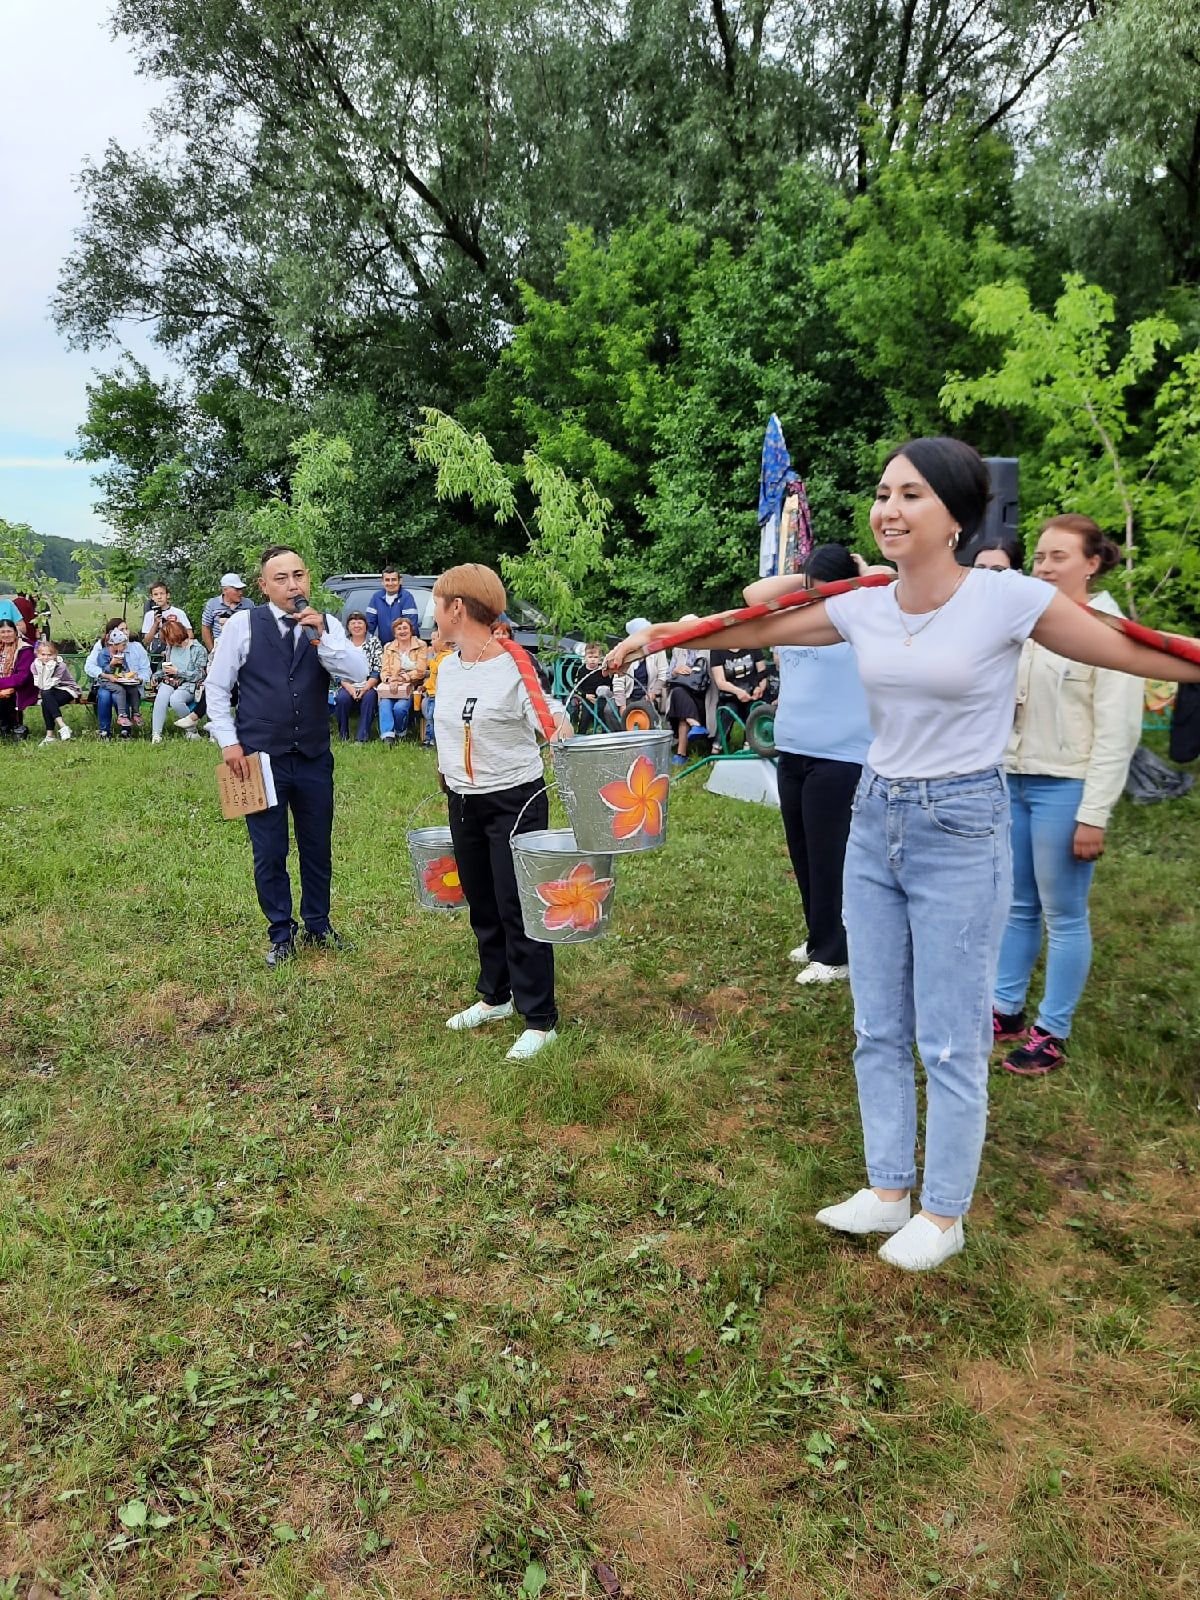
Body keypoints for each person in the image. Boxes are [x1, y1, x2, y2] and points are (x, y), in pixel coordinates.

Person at [609, 437, 1200, 1272]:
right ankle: (888, 1189)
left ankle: (945, 1211)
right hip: (875, 815)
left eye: (911, 495)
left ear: (956, 515)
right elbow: (763, 621)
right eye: (884, 493)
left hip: (961, 823)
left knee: (952, 1035)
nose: (888, 508)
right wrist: (678, 633)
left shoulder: (1007, 601)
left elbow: (1132, 647)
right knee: (877, 1022)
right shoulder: (867, 604)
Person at [994, 515, 1144, 1075]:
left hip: (1067, 787)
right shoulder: (1031, 623)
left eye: (1059, 556)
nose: (1045, 566)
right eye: (1040, 556)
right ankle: (1006, 1009)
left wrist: (1094, 815)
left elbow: (1118, 732)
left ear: (1092, 562)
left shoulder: (1111, 630)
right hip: (1016, 779)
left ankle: (1051, 1030)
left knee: (1064, 914)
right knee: (1017, 905)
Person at [204, 545, 368, 966]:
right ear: (263, 585)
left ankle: (318, 923)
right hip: (259, 758)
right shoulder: (243, 624)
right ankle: (280, 932)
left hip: (313, 754)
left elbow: (356, 673)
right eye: (281, 578)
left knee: (317, 845)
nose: (292, 585)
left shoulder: (325, 624)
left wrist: (324, 636)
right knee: (270, 850)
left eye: (298, 575)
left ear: (307, 578)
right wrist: (228, 742)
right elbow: (218, 688)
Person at [432, 562, 570, 1061]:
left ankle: (540, 1017)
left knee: (518, 906)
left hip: (514, 799)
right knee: (482, 901)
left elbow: (547, 715)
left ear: (457, 609)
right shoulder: (447, 666)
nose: (434, 610)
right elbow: (450, 730)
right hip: (463, 800)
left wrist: (563, 727)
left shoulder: (514, 662)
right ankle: (496, 995)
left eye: (438, 602)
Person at [744, 545, 873, 987]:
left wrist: (855, 572)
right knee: (801, 851)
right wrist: (805, 581)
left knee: (828, 855)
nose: (816, 598)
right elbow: (752, 592)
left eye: (825, 591)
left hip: (839, 756)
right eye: (810, 591)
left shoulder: (859, 620)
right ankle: (819, 938)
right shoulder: (796, 618)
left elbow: (888, 577)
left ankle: (836, 954)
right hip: (793, 751)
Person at [84, 621, 152, 739]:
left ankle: (126, 730)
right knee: (105, 695)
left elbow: (146, 670)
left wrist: (137, 677)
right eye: (121, 630)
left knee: (119, 694)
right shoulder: (102, 649)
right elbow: (89, 667)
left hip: (127, 685)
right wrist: (106, 674)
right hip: (107, 683)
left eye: (126, 629)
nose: (126, 632)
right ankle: (104, 731)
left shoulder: (135, 647)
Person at [150, 618, 209, 742]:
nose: (166, 642)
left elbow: (200, 675)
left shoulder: (197, 649)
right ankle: (156, 734)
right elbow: (165, 667)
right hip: (171, 681)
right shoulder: (170, 648)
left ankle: (191, 730)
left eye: (167, 639)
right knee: (162, 695)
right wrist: (156, 676)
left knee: (176, 699)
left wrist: (178, 672)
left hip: (189, 685)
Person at [663, 620, 710, 764]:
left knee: (679, 696)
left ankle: (681, 755)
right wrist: (676, 670)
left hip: (703, 694)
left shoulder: (708, 646)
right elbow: (667, 676)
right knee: (679, 693)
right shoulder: (678, 649)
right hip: (684, 694)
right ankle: (694, 726)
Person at [333, 612, 382, 741]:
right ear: (348, 627)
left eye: (360, 622)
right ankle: (343, 735)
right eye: (353, 623)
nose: (356, 625)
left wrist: (366, 688)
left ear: (366, 626)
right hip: (347, 683)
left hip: (368, 683)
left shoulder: (373, 642)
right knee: (342, 699)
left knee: (370, 698)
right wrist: (350, 688)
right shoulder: (342, 644)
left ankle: (362, 737)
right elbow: (336, 669)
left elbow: (377, 668)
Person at [378, 617, 427, 742]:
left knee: (400, 708)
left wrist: (402, 678)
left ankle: (400, 732)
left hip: (412, 686)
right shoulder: (389, 647)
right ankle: (388, 736)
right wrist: (391, 680)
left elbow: (420, 671)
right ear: (394, 633)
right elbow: (384, 670)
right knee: (385, 704)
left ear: (411, 630)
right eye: (399, 629)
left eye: (405, 628)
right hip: (391, 685)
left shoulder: (421, 645)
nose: (402, 631)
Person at [32, 639, 82, 743]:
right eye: (43, 654)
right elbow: (40, 684)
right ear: (38, 654)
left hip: (66, 689)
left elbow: (50, 683)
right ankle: (61, 727)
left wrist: (49, 667)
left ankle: (51, 734)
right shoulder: (34, 666)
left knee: (46, 698)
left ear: (55, 655)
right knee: (46, 699)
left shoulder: (60, 665)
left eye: (49, 655)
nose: (46, 657)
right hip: (48, 691)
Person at [98, 635, 145, 731]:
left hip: (119, 680)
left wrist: (129, 675)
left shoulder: (120, 653)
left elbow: (125, 668)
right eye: (123, 645)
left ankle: (136, 713)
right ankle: (122, 716)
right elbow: (103, 671)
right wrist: (111, 664)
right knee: (120, 690)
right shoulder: (103, 654)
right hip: (106, 681)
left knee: (133, 688)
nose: (125, 647)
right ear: (115, 645)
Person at [0, 619, 35, 739]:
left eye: (9, 631)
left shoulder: (25, 649)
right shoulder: (0, 648)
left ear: (15, 632)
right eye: (2, 632)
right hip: (4, 684)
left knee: (6, 694)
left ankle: (9, 727)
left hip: (22, 687)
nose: (6, 635)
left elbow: (21, 678)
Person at [365, 567, 420, 642]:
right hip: (384, 647)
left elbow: (411, 625)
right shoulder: (376, 597)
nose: (390, 583)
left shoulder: (406, 597)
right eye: (387, 580)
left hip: (404, 646)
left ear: (400, 581)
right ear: (382, 582)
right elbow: (369, 625)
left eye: (393, 580)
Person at [201, 574, 252, 651]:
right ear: (225, 590)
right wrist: (212, 651)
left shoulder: (248, 604)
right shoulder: (212, 604)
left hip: (244, 647)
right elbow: (205, 628)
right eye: (237, 590)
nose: (240, 593)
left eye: (241, 589)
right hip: (221, 647)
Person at [421, 623, 452, 747]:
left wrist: (430, 657)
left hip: (439, 695)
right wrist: (425, 685)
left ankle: (433, 740)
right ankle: (428, 739)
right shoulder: (438, 656)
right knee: (429, 717)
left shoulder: (447, 656)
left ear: (444, 642)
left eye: (434, 639)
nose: (431, 642)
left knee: (433, 717)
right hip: (431, 693)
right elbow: (433, 677)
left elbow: (437, 669)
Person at [142, 583, 193, 659]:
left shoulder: (178, 613)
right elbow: (147, 641)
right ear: (152, 597)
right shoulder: (149, 615)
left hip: (177, 650)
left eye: (162, 594)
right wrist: (156, 623)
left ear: (167, 595)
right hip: (156, 654)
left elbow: (190, 634)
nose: (159, 597)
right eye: (156, 594)